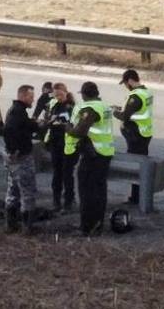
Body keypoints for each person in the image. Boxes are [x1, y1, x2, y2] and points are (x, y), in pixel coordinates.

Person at [66, 81, 115, 236]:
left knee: (87, 191)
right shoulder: (104, 106)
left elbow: (80, 131)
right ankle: (98, 224)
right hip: (105, 152)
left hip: (93, 154)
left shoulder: (90, 108)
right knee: (100, 191)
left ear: (85, 94)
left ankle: (86, 226)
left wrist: (67, 128)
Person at [1, 84, 38, 233]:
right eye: (30, 97)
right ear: (23, 96)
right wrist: (14, 149)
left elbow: (24, 126)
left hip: (14, 159)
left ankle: (11, 225)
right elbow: (9, 131)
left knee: (13, 190)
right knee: (27, 191)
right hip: (21, 158)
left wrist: (35, 125)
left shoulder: (17, 111)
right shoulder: (17, 112)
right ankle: (27, 226)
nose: (33, 100)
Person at [117, 68, 154, 204]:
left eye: (126, 83)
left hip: (136, 135)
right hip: (145, 132)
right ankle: (138, 196)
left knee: (136, 167)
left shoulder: (136, 96)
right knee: (141, 165)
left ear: (131, 81)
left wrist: (115, 111)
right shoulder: (146, 92)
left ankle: (137, 198)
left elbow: (125, 116)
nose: (126, 87)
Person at [42, 81, 76, 213]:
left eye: (60, 95)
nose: (58, 97)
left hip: (68, 144)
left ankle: (68, 202)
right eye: (56, 95)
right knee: (57, 174)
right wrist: (49, 121)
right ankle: (56, 201)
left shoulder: (71, 107)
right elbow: (47, 120)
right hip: (55, 142)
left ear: (66, 93)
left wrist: (62, 123)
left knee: (67, 174)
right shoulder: (53, 104)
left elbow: (74, 124)